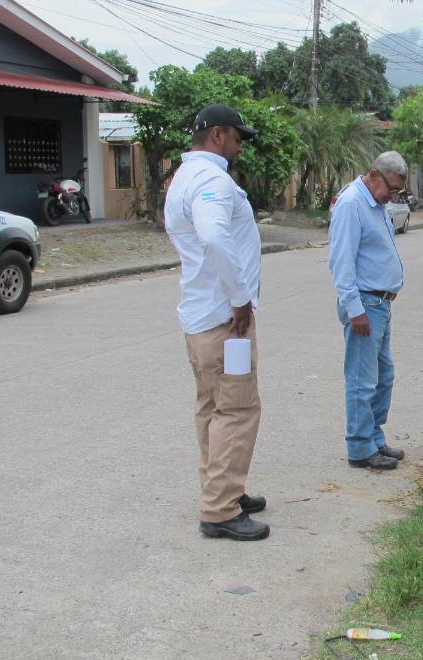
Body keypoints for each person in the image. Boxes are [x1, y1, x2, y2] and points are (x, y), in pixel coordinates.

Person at [164, 103, 269, 542]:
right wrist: (240, 298)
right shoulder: (210, 179)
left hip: (200, 316)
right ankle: (221, 509)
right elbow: (213, 236)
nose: (241, 146)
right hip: (225, 321)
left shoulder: (184, 177)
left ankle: (224, 490)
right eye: (238, 137)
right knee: (237, 409)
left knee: (212, 407)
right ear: (219, 136)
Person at [328, 151, 409, 471]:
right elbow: (341, 262)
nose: (394, 196)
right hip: (364, 304)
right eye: (392, 188)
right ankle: (360, 447)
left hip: (380, 303)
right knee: (362, 380)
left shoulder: (376, 204)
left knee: (383, 376)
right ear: (374, 174)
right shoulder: (351, 204)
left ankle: (373, 436)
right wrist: (354, 309)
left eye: (398, 192)